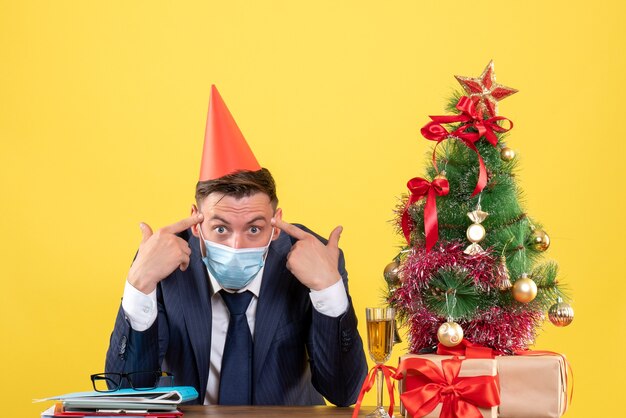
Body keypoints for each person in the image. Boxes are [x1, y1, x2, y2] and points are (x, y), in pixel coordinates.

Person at [105, 86, 367, 406]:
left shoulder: (313, 260)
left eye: (254, 228)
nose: (236, 244)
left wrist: (329, 289)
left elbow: (345, 393)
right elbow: (124, 394)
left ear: (276, 224)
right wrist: (139, 284)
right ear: (196, 221)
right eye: (220, 228)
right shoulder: (161, 262)